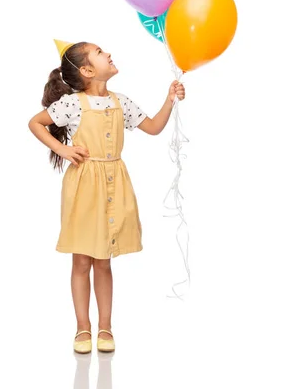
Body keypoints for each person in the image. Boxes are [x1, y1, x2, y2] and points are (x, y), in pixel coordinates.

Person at [28, 39, 185, 354]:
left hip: (114, 182)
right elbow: (36, 123)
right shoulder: (73, 104)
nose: (109, 53)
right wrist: (63, 149)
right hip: (84, 186)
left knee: (103, 260)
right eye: (100, 53)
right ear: (87, 70)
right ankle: (82, 328)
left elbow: (153, 127)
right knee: (82, 259)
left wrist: (169, 100)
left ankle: (105, 327)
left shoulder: (121, 102)